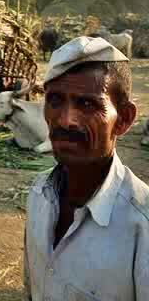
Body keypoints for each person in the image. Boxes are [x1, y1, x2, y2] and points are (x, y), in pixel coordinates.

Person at [23, 36, 149, 301]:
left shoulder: (142, 225)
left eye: (87, 104)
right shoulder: (39, 194)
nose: (66, 120)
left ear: (123, 119)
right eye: (55, 100)